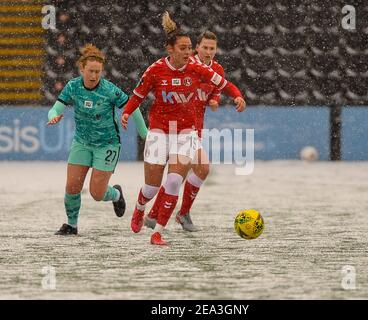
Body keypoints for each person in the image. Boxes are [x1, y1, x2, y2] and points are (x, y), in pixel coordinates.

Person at [121, 12, 245, 245]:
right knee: (151, 186)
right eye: (184, 48)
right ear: (170, 49)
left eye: (190, 48)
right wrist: (127, 112)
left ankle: (157, 231)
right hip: (159, 131)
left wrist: (237, 96)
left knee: (175, 180)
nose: (189, 53)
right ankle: (139, 208)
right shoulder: (155, 70)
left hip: (186, 132)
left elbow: (224, 84)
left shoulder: (197, 69)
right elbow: (138, 94)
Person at [47, 44, 148, 235]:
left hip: (107, 144)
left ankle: (116, 194)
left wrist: (144, 133)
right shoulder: (73, 86)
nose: (94, 75)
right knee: (72, 186)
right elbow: (57, 107)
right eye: (90, 71)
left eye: (98, 72)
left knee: (97, 193)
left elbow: (132, 107)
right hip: (82, 142)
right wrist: (53, 115)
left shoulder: (109, 90)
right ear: (82, 69)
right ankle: (72, 224)